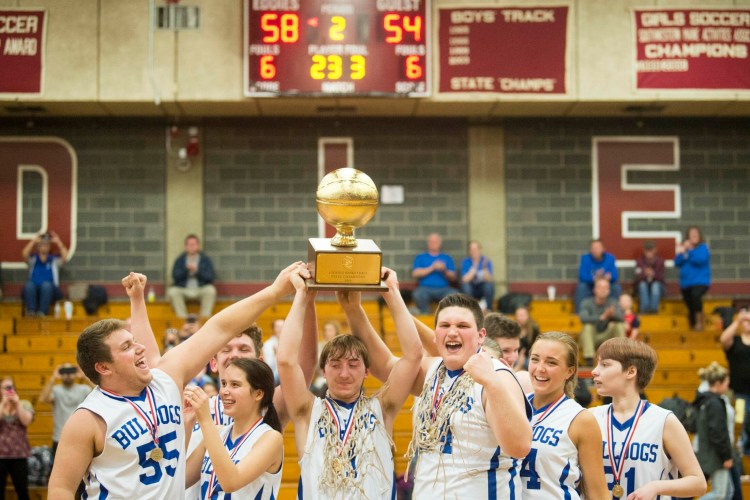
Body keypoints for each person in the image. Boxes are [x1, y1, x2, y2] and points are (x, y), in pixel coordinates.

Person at [47, 263, 302, 499]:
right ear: (103, 367)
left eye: (134, 341)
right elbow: (60, 489)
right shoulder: (88, 419)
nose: (139, 348)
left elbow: (219, 328)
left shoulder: (165, 380)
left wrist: (275, 291)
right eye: (126, 346)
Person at [360, 293, 532, 498]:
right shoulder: (433, 369)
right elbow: (385, 367)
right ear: (435, 334)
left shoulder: (497, 376)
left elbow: (520, 447)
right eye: (445, 325)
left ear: (480, 335)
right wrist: (354, 309)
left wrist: (492, 384)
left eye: (462, 326)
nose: (452, 332)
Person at [279, 266, 422, 498]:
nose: (344, 373)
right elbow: (286, 361)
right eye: (335, 365)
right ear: (323, 371)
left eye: (353, 365)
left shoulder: (383, 408)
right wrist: (303, 297)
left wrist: (391, 291)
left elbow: (413, 355)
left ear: (367, 371)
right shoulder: (307, 410)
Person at [590, 337, 706, 499]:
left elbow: (698, 483)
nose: (594, 371)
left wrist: (656, 486)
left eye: (605, 364)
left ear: (631, 371)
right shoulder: (590, 418)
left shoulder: (664, 421)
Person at [521, 331, 608, 499]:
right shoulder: (514, 406)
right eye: (535, 359)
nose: (540, 368)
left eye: (551, 363)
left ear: (569, 372)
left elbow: (598, 492)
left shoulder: (580, 419)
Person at [184, 358, 283, 499]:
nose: (224, 391)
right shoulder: (218, 432)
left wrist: (205, 419)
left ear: (258, 394)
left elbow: (231, 482)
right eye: (223, 383)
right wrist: (187, 424)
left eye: (235, 385)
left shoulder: (270, 438)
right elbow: (178, 481)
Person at [693, 363, 734, 500]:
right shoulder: (715, 403)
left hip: (708, 452)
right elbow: (718, 432)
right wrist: (726, 456)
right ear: (718, 383)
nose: (728, 386)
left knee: (729, 492)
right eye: (726, 382)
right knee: (719, 494)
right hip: (716, 455)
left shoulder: (704, 400)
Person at [38, 364, 93, 459]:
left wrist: (84, 376)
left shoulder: (83, 389)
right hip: (59, 438)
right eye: (64, 371)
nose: (67, 374)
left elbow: (100, 393)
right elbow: (43, 399)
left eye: (71, 371)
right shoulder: (56, 390)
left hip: (81, 438)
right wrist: (53, 378)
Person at [719, 308, 750, 457]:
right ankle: (740, 449)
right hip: (739, 393)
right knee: (740, 421)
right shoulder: (735, 341)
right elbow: (723, 339)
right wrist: (737, 321)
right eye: (746, 320)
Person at [168, 234, 217, 319]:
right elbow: (175, 276)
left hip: (200, 288)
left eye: (194, 244)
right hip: (184, 288)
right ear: (186, 246)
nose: (191, 247)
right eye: (189, 245)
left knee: (210, 290)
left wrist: (197, 271)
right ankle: (182, 319)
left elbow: (210, 277)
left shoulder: (205, 260)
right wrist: (186, 269)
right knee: (173, 291)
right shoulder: (180, 260)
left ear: (198, 246)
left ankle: (204, 319)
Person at [578, 277, 626, 366]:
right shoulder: (586, 302)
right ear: (594, 289)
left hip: (608, 336)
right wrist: (602, 317)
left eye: (605, 288)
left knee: (618, 325)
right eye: (600, 287)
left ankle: (621, 356)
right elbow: (583, 318)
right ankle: (589, 360)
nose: (602, 290)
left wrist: (612, 315)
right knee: (588, 327)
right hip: (592, 336)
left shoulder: (613, 302)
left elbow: (622, 318)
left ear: (608, 290)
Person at [0, 376, 34, 500]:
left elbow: (26, 421)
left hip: (19, 454)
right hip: (0, 455)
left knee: (22, 490)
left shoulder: (24, 403)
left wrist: (17, 403)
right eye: (5, 388)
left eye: (11, 387)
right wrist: (3, 404)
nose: (9, 390)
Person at [21, 231, 68, 316]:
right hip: (35, 289)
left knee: (46, 285)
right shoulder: (34, 259)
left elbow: (65, 257)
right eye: (41, 245)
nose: (44, 247)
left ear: (49, 247)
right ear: (38, 247)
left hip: (51, 290)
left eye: (46, 245)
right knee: (29, 285)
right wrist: (34, 240)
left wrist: (58, 242)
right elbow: (24, 254)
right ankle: (31, 312)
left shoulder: (53, 260)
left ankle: (42, 312)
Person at [411, 233, 458, 314]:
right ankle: (425, 315)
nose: (433, 244)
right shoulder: (421, 257)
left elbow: (453, 277)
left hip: (444, 289)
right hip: (425, 288)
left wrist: (444, 270)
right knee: (418, 294)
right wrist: (432, 268)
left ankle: (446, 316)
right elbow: (415, 273)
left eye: (436, 241)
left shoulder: (446, 257)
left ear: (440, 243)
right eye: (431, 242)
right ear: (428, 243)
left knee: (454, 294)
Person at [675, 226, 711, 331]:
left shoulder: (703, 248)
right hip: (686, 283)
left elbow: (700, 260)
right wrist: (682, 252)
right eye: (692, 234)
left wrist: (689, 251)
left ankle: (699, 322)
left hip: (700, 281)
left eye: (696, 234)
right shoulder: (684, 249)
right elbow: (677, 262)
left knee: (696, 296)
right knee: (690, 304)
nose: (694, 236)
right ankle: (693, 325)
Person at [574, 239, 621, 313]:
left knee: (616, 287)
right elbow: (582, 276)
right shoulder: (585, 258)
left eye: (598, 248)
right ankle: (579, 313)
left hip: (605, 284)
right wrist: (594, 278)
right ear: (590, 250)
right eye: (593, 248)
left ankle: (616, 312)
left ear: (603, 249)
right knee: (581, 287)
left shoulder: (610, 258)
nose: (595, 250)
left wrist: (606, 278)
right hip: (591, 284)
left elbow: (615, 275)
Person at [459, 240, 495, 311]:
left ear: (480, 250)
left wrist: (485, 268)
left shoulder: (486, 261)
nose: (473, 251)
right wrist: (475, 266)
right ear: (469, 251)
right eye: (471, 249)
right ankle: (469, 309)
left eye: (475, 249)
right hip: (471, 288)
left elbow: (489, 279)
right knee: (465, 286)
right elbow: (465, 280)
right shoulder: (466, 262)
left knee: (489, 286)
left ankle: (488, 309)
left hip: (482, 288)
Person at [634, 240, 666, 314]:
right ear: (644, 251)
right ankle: (644, 310)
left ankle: (653, 310)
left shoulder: (660, 261)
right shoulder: (639, 261)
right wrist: (644, 274)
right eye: (647, 250)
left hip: (658, 288)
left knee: (655, 285)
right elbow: (637, 278)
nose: (649, 252)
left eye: (651, 250)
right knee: (642, 285)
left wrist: (653, 274)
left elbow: (662, 278)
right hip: (643, 288)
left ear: (655, 250)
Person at [261, 318, 284, 385]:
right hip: (273, 376)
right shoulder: (268, 345)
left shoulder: (291, 343)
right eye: (278, 327)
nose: (280, 329)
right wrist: (276, 354)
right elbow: (269, 366)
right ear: (273, 329)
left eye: (282, 326)